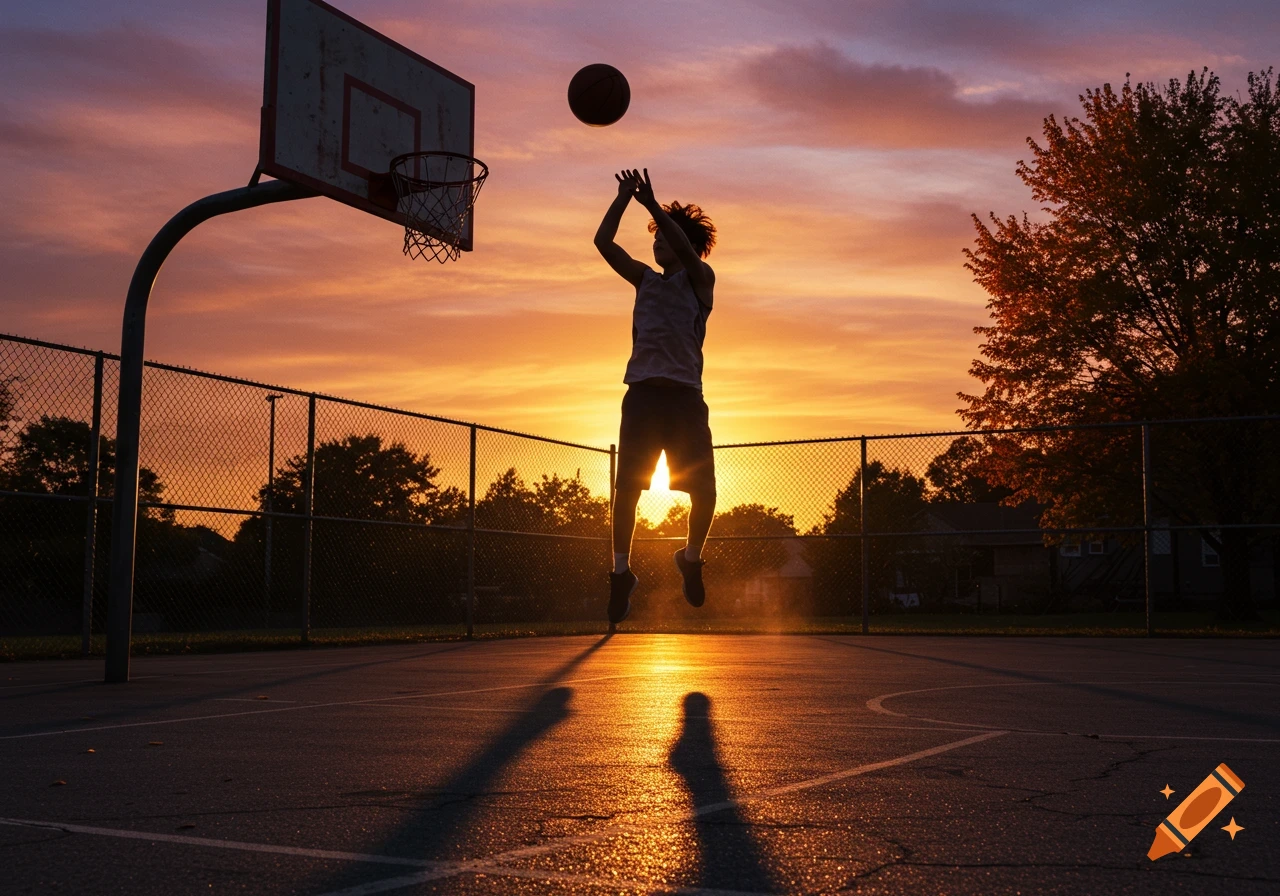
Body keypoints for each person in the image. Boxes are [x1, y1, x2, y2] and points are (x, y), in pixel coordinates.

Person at [594, 168, 718, 626]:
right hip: (643, 398)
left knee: (704, 493)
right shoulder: (645, 280)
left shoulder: (700, 280)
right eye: (656, 240)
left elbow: (685, 250)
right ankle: (621, 573)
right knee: (626, 490)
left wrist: (653, 206)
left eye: (663, 239)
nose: (657, 244)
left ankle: (690, 558)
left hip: (685, 399)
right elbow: (603, 243)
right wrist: (625, 197)